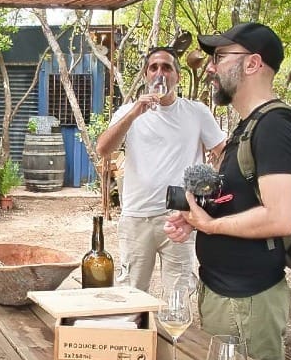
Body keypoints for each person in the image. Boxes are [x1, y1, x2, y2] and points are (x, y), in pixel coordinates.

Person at [163, 23, 291, 360]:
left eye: (219, 57)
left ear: (252, 63)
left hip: (248, 301)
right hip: (226, 294)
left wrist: (211, 226)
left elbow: (280, 216)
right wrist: (196, 217)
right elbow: (243, 200)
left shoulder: (276, 126)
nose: (211, 67)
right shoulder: (249, 125)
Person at [96, 47, 225, 294]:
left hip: (179, 219)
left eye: (167, 67)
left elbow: (223, 153)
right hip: (136, 217)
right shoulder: (129, 113)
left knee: (178, 295)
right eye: (153, 68)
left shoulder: (196, 112)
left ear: (177, 76)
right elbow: (103, 149)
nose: (160, 73)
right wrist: (134, 112)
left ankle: (173, 334)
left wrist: (206, 193)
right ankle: (138, 333)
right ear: (146, 75)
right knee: (132, 295)